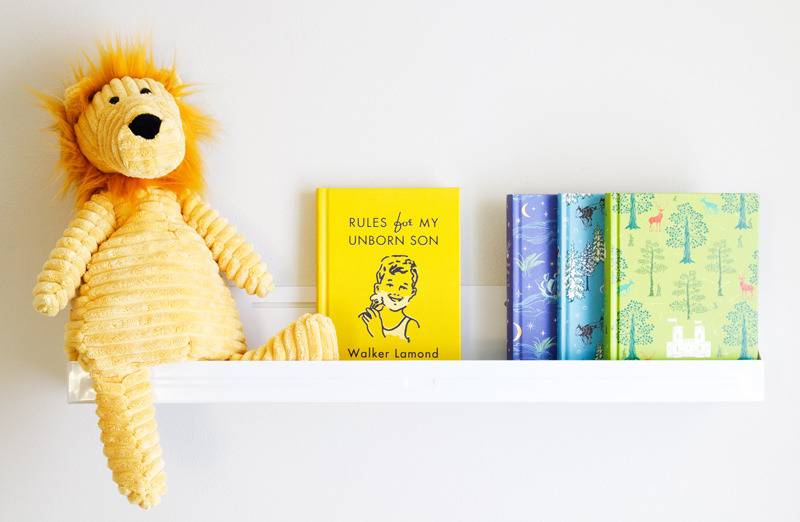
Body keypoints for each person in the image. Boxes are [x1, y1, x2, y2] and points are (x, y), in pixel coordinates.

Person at [359, 255, 420, 342]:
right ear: (377, 288)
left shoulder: (411, 326)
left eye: (403, 287)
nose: (396, 292)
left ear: (412, 293)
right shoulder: (365, 320)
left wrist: (377, 333)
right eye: (390, 285)